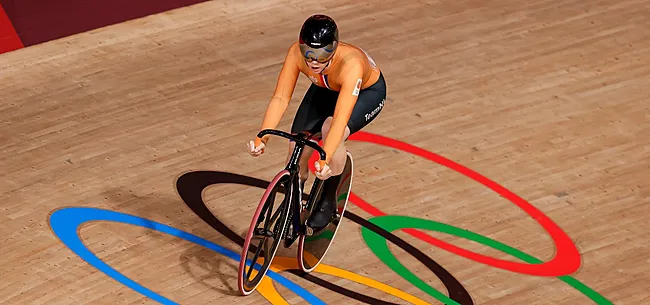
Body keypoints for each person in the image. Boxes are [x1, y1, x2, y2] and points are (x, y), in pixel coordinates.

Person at [247, 14, 387, 232]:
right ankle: (295, 196)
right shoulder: (296, 53)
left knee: (331, 129)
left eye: (321, 54)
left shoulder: (352, 64)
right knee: (296, 143)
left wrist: (326, 156)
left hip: (365, 93)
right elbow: (281, 97)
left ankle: (328, 199)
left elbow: (341, 117)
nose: (313, 61)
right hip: (326, 88)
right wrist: (262, 136)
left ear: (334, 48)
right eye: (308, 53)